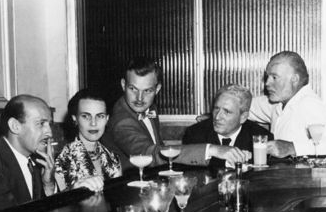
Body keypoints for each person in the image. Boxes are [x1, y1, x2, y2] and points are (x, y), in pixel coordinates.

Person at [101, 57, 250, 171]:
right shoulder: (122, 122)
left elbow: (158, 146)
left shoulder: (149, 106)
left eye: (147, 90)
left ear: (157, 89)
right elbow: (150, 155)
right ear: (123, 85)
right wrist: (213, 149)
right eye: (133, 89)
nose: (139, 98)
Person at [249, 51, 326, 157]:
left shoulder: (309, 104)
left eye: (274, 77)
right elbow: (241, 105)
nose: (267, 83)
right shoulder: (278, 102)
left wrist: (292, 148)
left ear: (294, 79)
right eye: (267, 77)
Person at [0, 95, 56, 212]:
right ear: (15, 126)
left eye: (49, 124)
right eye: (41, 123)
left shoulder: (39, 162)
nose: (49, 132)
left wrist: (48, 185)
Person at [182, 84, 273, 168]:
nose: (217, 117)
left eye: (227, 112)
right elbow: (188, 168)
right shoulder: (195, 133)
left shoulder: (260, 137)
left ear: (243, 117)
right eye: (216, 108)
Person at [55, 89, 121, 192]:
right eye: (86, 116)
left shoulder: (113, 159)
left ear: (107, 119)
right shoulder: (62, 160)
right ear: (75, 119)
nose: (93, 123)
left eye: (100, 116)